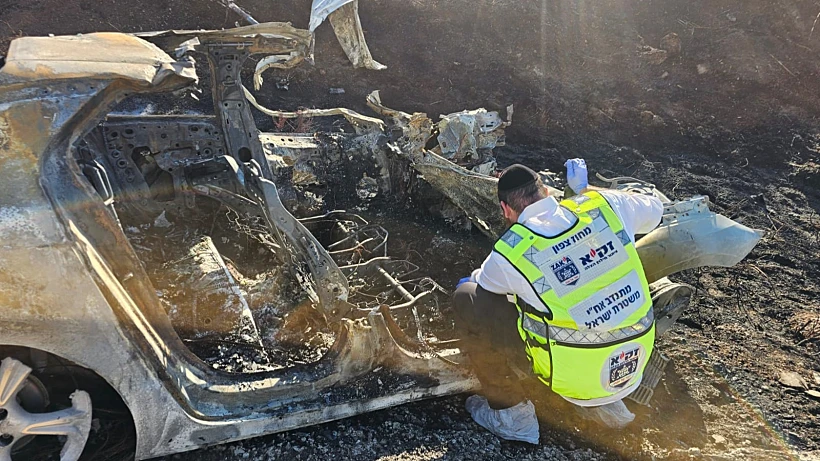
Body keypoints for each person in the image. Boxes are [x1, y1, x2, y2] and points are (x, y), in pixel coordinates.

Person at [453, 159, 664, 444]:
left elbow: (483, 287)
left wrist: (470, 283)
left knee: (468, 297)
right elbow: (656, 210)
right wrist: (586, 190)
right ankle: (605, 404)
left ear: (505, 209)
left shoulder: (511, 253)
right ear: (548, 192)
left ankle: (513, 417)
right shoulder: (605, 205)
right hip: (632, 363)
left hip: (570, 378)